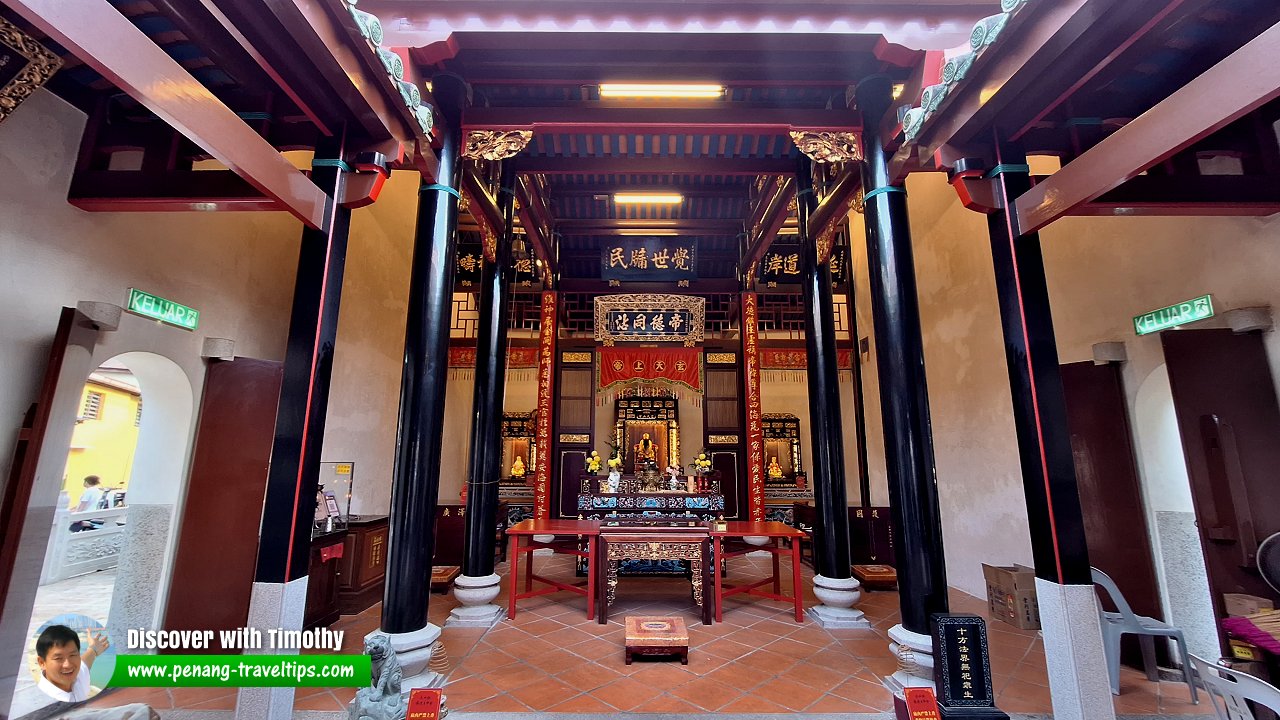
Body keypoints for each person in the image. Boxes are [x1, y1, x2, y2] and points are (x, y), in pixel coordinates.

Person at [35, 624, 109, 702]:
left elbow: (85, 662)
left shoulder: (78, 677)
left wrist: (93, 649)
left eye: (72, 655)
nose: (68, 665)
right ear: (42, 662)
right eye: (58, 658)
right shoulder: (44, 702)